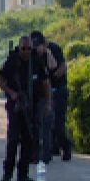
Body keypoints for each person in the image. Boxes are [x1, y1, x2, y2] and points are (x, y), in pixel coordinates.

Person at [0, 36, 52, 181]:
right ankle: (7, 174)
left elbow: (46, 84)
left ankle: (23, 175)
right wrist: (11, 92)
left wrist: (48, 104)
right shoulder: (12, 61)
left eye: (29, 49)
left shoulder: (37, 62)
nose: (26, 52)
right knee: (13, 140)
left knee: (29, 141)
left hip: (32, 107)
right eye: (23, 49)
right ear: (19, 48)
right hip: (16, 106)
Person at [31, 30, 71, 162]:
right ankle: (48, 151)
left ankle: (65, 147)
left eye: (38, 47)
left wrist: (47, 53)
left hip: (57, 89)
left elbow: (56, 68)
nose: (36, 50)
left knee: (58, 124)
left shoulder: (53, 49)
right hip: (43, 92)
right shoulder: (32, 55)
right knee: (43, 124)